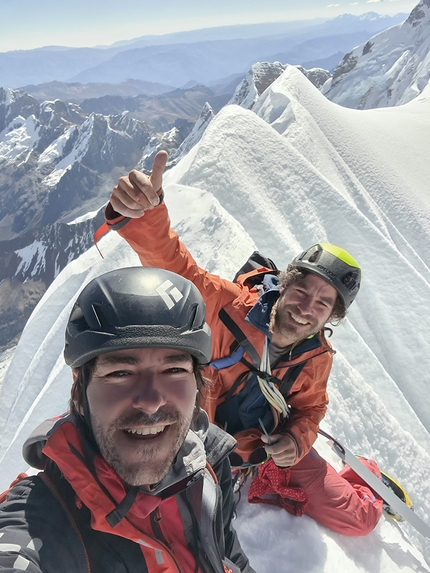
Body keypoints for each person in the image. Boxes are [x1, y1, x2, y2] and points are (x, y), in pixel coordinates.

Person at [102, 150, 385, 536]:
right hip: (202, 444)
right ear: (286, 285)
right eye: (302, 290)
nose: (306, 308)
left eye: (323, 303)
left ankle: (366, 477)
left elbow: (311, 407)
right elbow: (177, 269)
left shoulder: (317, 355)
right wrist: (146, 214)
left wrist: (296, 442)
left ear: (331, 316)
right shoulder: (227, 307)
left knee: (358, 520)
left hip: (266, 449)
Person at [0, 266, 255, 573]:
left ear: (198, 384)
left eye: (174, 370)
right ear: (80, 390)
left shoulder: (209, 463)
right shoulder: (43, 514)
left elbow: (228, 556)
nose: (150, 402)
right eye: (120, 373)